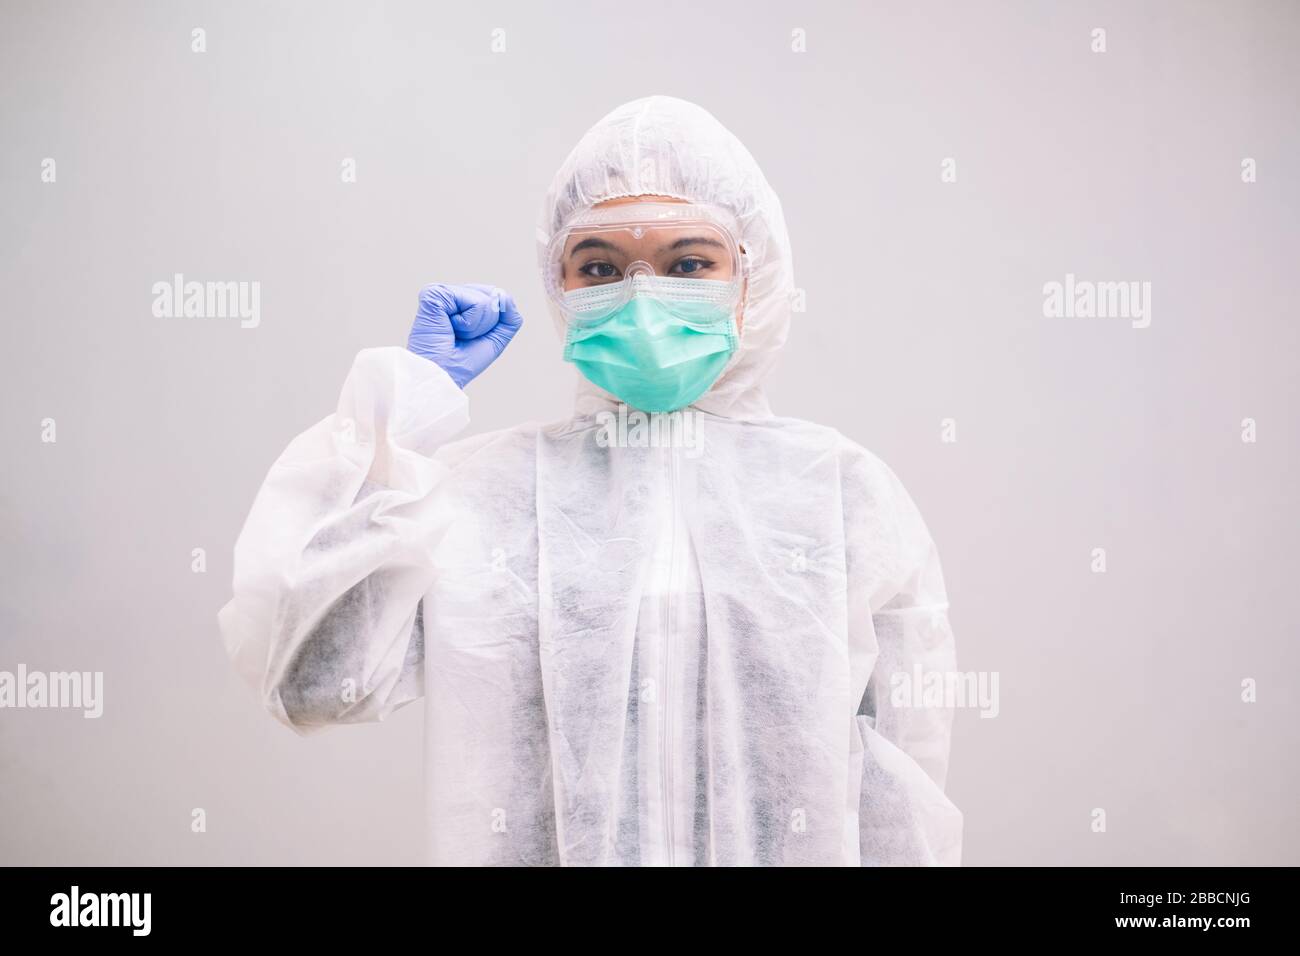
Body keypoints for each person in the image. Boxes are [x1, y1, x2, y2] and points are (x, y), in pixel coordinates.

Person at [218, 95, 963, 866]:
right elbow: (307, 679)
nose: (642, 295)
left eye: (688, 264)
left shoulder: (841, 494)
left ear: (753, 277)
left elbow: (900, 781)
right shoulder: (479, 494)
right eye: (601, 266)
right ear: (560, 286)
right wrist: (402, 413)